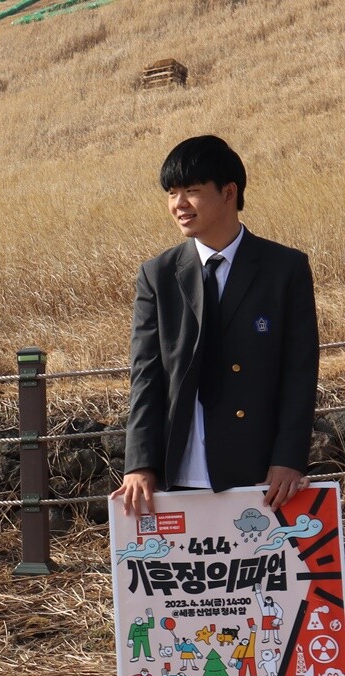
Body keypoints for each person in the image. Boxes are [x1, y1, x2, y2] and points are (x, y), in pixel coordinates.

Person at [113, 135, 319, 516]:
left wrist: (289, 458)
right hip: (177, 476)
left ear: (228, 192)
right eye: (172, 193)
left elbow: (299, 372)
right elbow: (146, 377)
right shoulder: (157, 275)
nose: (179, 204)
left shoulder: (284, 270)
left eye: (191, 190)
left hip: (258, 475)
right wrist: (139, 464)